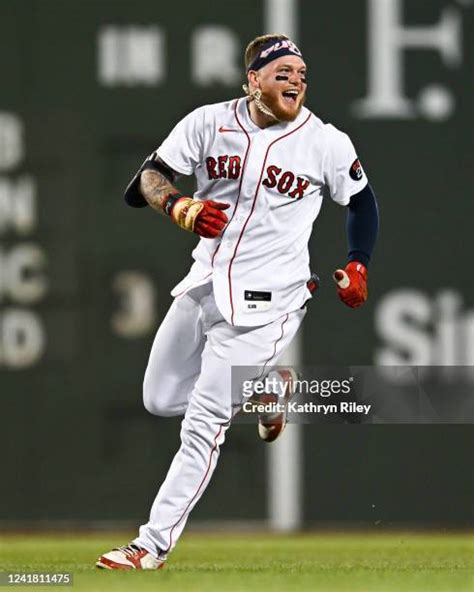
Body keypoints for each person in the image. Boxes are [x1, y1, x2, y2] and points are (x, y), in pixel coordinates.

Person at [96, 33, 379, 570]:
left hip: (270, 301)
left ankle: (149, 546)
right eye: (282, 71)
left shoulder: (326, 142)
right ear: (252, 80)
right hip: (204, 282)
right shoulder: (208, 122)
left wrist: (359, 259)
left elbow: (362, 202)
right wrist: (179, 206)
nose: (296, 79)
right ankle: (268, 392)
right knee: (158, 398)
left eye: (301, 72)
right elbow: (145, 181)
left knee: (203, 420)